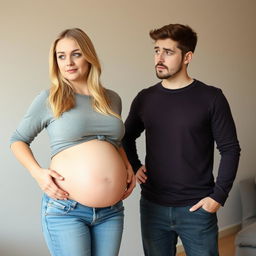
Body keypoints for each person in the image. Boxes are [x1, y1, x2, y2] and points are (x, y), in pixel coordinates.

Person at [10, 28, 136, 256]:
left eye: (76, 54)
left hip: (111, 210)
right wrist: (38, 173)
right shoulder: (50, 98)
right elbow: (18, 140)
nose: (68, 62)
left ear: (89, 56)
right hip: (67, 210)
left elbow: (114, 142)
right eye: (61, 56)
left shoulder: (112, 99)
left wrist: (126, 165)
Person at [122, 24, 241, 256]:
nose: (159, 58)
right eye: (157, 50)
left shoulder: (211, 97)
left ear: (187, 57)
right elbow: (126, 137)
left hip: (197, 208)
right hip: (152, 207)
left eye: (168, 52)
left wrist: (218, 196)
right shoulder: (145, 98)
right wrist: (135, 166)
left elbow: (230, 149)